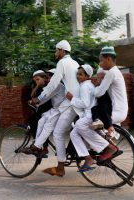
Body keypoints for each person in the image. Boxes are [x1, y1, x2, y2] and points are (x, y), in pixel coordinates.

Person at [32, 40, 80, 177]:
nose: (55, 53)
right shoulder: (74, 63)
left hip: (71, 103)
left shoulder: (62, 63)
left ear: (61, 51)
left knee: (58, 133)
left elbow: (53, 84)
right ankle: (42, 147)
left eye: (56, 50)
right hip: (76, 101)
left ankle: (60, 167)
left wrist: (40, 99)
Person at [21, 68, 65, 157]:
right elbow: (35, 97)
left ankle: (41, 147)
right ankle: (38, 145)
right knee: (39, 122)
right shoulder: (48, 86)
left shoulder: (55, 86)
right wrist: (37, 86)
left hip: (55, 109)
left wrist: (35, 101)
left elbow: (41, 99)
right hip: (51, 109)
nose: (47, 79)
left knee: (42, 124)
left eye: (48, 77)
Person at [94, 46, 128, 136]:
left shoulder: (111, 73)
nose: (100, 64)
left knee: (87, 123)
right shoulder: (115, 72)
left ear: (108, 59)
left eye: (101, 60)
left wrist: (95, 86)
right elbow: (100, 72)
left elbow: (98, 93)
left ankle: (104, 148)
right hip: (117, 109)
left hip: (116, 111)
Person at [27, 70, 53, 155]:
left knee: (36, 122)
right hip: (42, 109)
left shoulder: (48, 87)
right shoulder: (39, 88)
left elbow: (37, 99)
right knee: (32, 120)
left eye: (38, 79)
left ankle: (42, 147)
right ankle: (38, 143)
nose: (36, 82)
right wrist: (37, 85)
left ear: (44, 78)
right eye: (35, 80)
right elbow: (32, 96)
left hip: (48, 110)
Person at [90, 68, 114, 136]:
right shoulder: (98, 86)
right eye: (98, 78)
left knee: (104, 109)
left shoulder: (106, 86)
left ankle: (110, 127)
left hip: (107, 106)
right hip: (100, 106)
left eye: (102, 78)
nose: (100, 79)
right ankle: (97, 121)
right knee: (94, 109)